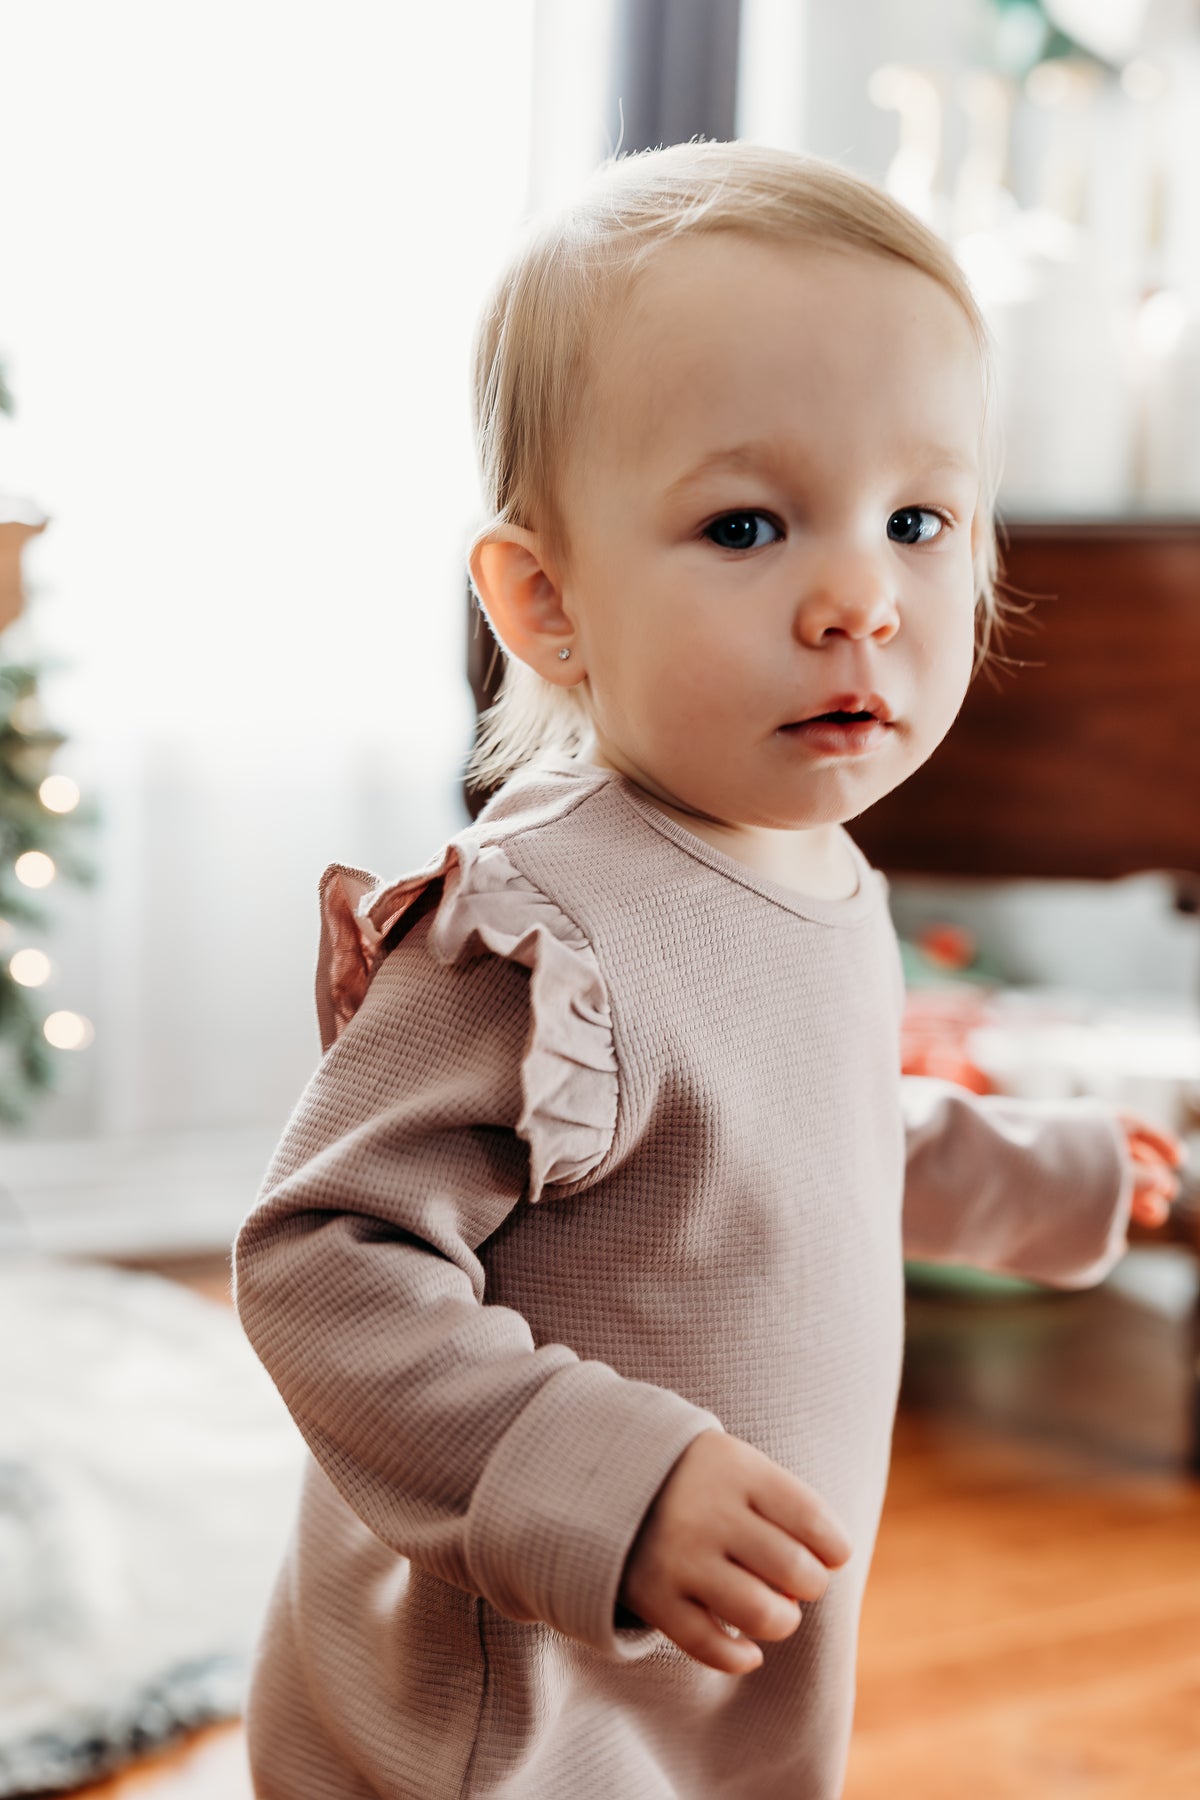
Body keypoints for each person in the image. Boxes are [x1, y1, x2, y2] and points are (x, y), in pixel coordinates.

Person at [232, 140, 1184, 1799]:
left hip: (711, 1668)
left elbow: (791, 1146)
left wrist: (1043, 1177)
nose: (856, 598)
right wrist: (598, 1471)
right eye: (747, 524)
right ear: (546, 600)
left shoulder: (817, 869)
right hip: (506, 1713)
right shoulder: (535, 930)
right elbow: (321, 1260)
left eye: (917, 519)